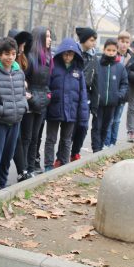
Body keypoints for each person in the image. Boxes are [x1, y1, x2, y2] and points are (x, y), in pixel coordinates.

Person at [0, 37, 27, 194]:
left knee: (7, 156)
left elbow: (22, 94)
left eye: (13, 53)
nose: (10, 57)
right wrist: (1, 110)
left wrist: (22, 106)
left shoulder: (18, 72)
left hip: (15, 121)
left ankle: (1, 185)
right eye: (6, 54)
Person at [44, 38, 89, 171]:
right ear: (61, 54)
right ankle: (48, 164)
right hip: (54, 109)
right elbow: (47, 88)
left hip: (71, 111)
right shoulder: (53, 68)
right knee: (51, 139)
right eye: (65, 53)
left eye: (71, 53)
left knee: (66, 139)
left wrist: (83, 116)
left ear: (75, 54)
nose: (68, 56)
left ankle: (63, 163)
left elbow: (82, 94)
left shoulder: (78, 71)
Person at [19, 26, 52, 176]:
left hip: (42, 102)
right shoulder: (29, 58)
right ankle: (24, 169)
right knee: (27, 137)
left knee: (35, 138)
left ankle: (31, 167)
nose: (50, 40)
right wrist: (32, 98)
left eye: (50, 36)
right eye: (47, 36)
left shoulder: (48, 58)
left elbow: (47, 84)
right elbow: (23, 82)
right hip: (30, 103)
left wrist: (47, 97)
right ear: (39, 39)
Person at [88, 38, 128, 153]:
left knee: (106, 127)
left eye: (113, 50)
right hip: (98, 103)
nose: (111, 52)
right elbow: (90, 81)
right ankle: (96, 149)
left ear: (116, 51)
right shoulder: (97, 64)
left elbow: (124, 84)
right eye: (108, 50)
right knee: (97, 127)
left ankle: (100, 147)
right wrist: (92, 97)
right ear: (104, 49)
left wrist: (119, 96)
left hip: (111, 103)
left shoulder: (119, 67)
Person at [7, 29, 34, 182]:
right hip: (10, 105)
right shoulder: (9, 59)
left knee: (23, 138)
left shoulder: (23, 58)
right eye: (20, 45)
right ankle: (21, 169)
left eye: (24, 45)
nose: (22, 48)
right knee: (14, 140)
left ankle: (22, 169)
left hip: (23, 102)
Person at [70, 27, 97, 161]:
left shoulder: (93, 56)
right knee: (71, 126)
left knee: (83, 125)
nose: (94, 43)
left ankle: (75, 152)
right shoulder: (74, 53)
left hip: (86, 95)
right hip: (73, 93)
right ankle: (65, 152)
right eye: (92, 40)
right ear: (84, 39)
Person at [104, 31, 134, 147]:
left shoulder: (132, 57)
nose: (124, 44)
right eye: (122, 41)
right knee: (110, 120)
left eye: (127, 42)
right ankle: (106, 143)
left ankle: (113, 142)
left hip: (123, 93)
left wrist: (126, 71)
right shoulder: (112, 55)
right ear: (118, 42)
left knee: (117, 120)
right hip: (111, 93)